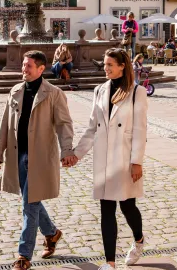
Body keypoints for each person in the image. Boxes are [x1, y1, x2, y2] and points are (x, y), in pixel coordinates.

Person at [0, 51, 76, 269]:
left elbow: (64, 124)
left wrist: (67, 150)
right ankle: (52, 233)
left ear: (41, 69)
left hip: (39, 158)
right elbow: (4, 125)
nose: (24, 69)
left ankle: (24, 255)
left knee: (29, 205)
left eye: (28, 66)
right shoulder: (15, 91)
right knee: (32, 200)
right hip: (17, 156)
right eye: (23, 65)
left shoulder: (54, 94)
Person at [71, 48, 148, 270]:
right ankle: (110, 263)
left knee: (128, 207)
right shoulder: (99, 90)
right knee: (106, 209)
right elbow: (92, 128)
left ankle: (139, 240)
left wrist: (137, 162)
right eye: (104, 64)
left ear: (122, 66)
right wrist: (76, 154)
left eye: (110, 65)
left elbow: (140, 129)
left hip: (124, 159)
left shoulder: (137, 92)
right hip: (103, 158)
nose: (105, 68)